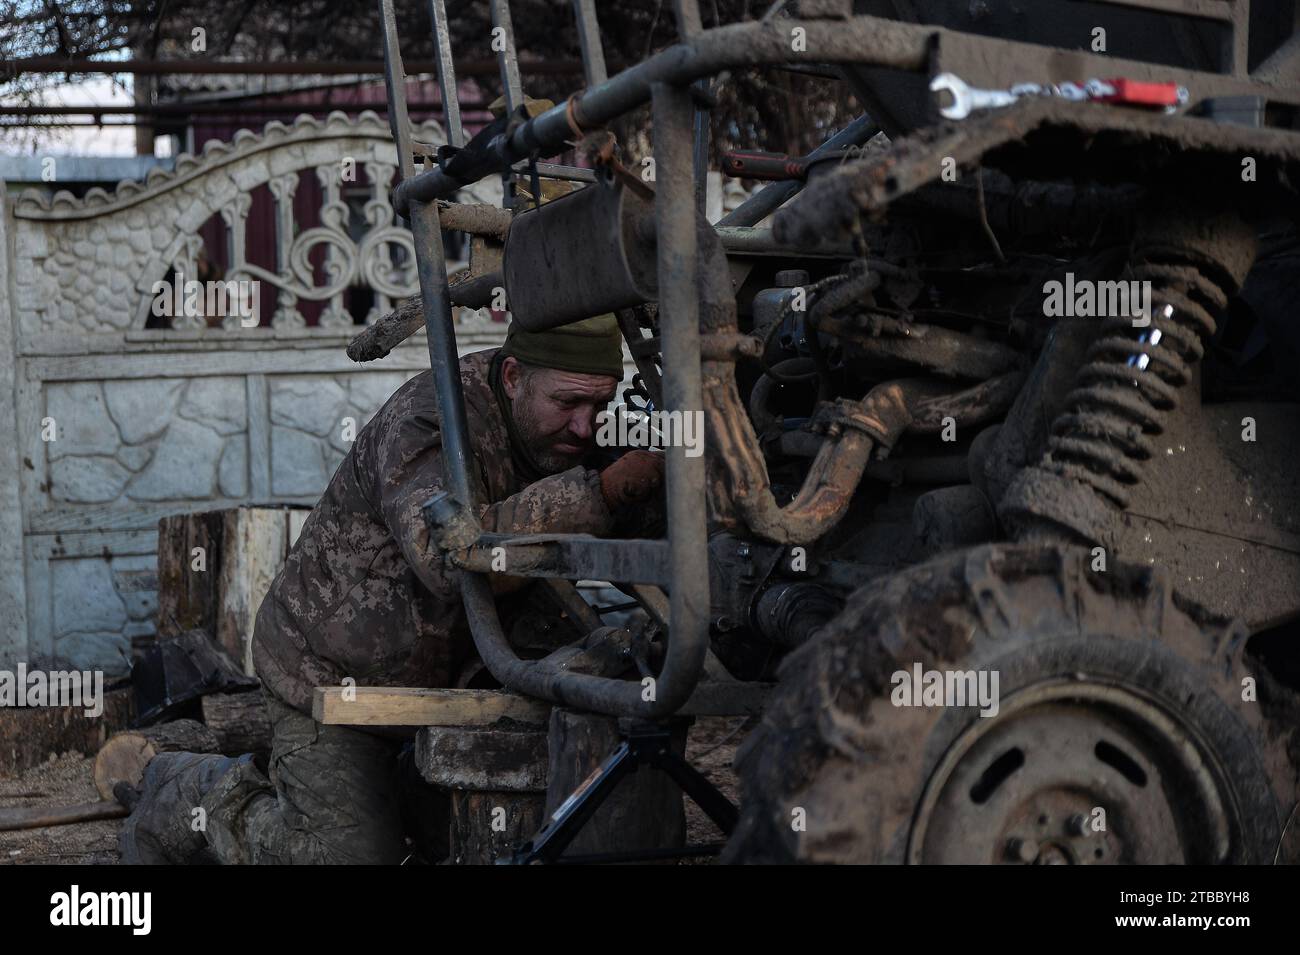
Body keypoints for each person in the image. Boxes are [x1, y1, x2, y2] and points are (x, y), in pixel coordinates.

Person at [120, 314, 666, 864]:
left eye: (600, 406)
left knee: (480, 837)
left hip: (452, 684)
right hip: (330, 677)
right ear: (513, 378)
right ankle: (199, 790)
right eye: (568, 403)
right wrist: (604, 491)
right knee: (354, 857)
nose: (583, 425)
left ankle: (391, 790)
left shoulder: (572, 433)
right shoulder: (428, 420)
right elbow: (445, 558)